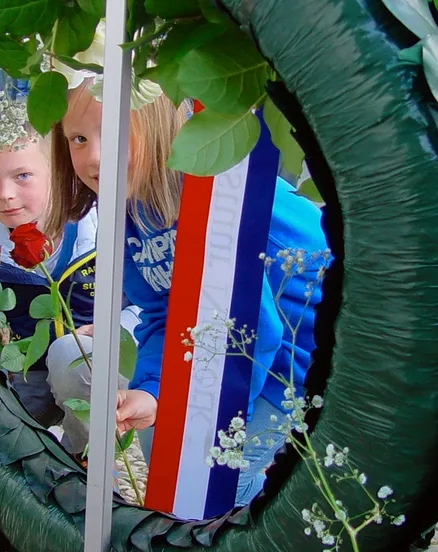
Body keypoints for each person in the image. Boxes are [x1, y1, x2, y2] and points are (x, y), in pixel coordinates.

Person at [45, 80, 327, 505]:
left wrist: (218, 426)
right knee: (168, 454)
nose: (95, 157)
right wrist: (155, 391)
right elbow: (161, 310)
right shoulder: (127, 207)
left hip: (294, 356)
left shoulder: (213, 194)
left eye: (117, 132)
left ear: (160, 129)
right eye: (79, 139)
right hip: (227, 345)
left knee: (218, 480)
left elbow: (257, 330)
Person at [0, 125, 141, 457]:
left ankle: (84, 460)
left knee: (71, 354)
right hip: (29, 375)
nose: (5, 194)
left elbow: (151, 305)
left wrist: (119, 329)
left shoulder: (105, 230)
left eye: (22, 176)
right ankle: (33, 464)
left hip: (95, 373)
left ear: (57, 173)